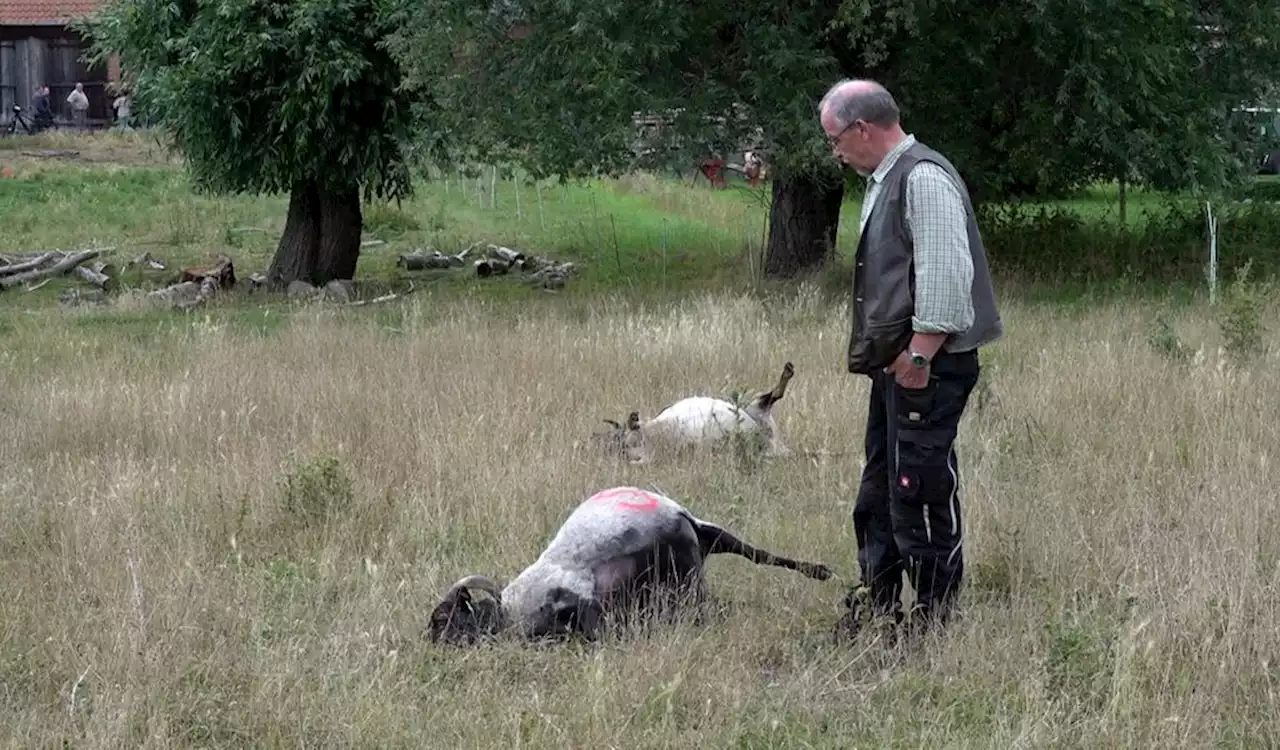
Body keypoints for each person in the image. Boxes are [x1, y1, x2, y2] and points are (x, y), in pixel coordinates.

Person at [818, 79, 1004, 643]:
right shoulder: (887, 178)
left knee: (917, 488)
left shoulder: (922, 178)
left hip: (928, 365)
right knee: (880, 486)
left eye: (835, 139)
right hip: (900, 366)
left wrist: (919, 355)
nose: (835, 151)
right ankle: (877, 604)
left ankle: (933, 620)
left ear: (862, 129)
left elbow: (949, 281)